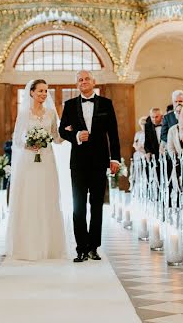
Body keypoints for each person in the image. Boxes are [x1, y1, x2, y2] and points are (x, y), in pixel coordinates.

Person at [58, 70, 121, 263]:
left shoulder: (106, 103)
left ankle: (94, 247)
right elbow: (61, 130)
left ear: (94, 82)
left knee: (96, 205)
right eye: (80, 80)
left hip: (100, 161)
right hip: (78, 162)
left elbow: (113, 133)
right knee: (78, 207)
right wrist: (75, 135)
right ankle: (81, 249)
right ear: (77, 84)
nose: (83, 82)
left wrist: (115, 159)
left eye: (86, 79)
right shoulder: (69, 105)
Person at [5, 79, 70, 260]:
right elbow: (17, 139)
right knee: (30, 198)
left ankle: (49, 245)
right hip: (29, 161)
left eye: (46, 91)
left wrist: (67, 133)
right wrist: (28, 145)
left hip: (47, 159)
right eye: (40, 91)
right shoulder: (24, 113)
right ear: (32, 92)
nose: (43, 94)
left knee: (47, 197)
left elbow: (56, 138)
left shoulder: (50, 113)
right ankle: (28, 245)